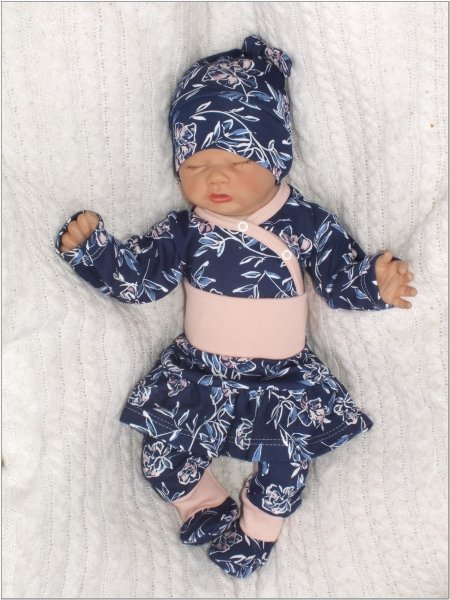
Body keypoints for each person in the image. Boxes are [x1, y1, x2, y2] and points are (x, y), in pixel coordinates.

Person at [56, 35, 416, 578]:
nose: (215, 177)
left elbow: (338, 277)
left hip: (281, 378)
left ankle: (257, 532)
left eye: (236, 159)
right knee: (161, 453)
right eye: (196, 163)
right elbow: (142, 281)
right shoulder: (186, 230)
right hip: (199, 373)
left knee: (285, 460)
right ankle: (203, 504)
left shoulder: (304, 223)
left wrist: (375, 283)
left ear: (276, 157)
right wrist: (94, 253)